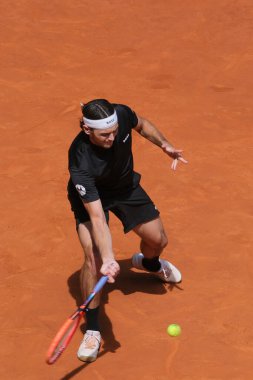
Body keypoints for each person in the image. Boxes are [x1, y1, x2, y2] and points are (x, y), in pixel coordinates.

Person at [67, 99, 187, 362]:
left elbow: (141, 124)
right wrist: (108, 258)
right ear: (88, 131)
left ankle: (150, 264)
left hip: (125, 188)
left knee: (158, 239)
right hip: (92, 199)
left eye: (114, 131)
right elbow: (97, 218)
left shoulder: (119, 114)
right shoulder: (80, 160)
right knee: (95, 259)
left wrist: (163, 144)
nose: (113, 137)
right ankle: (93, 329)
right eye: (104, 135)